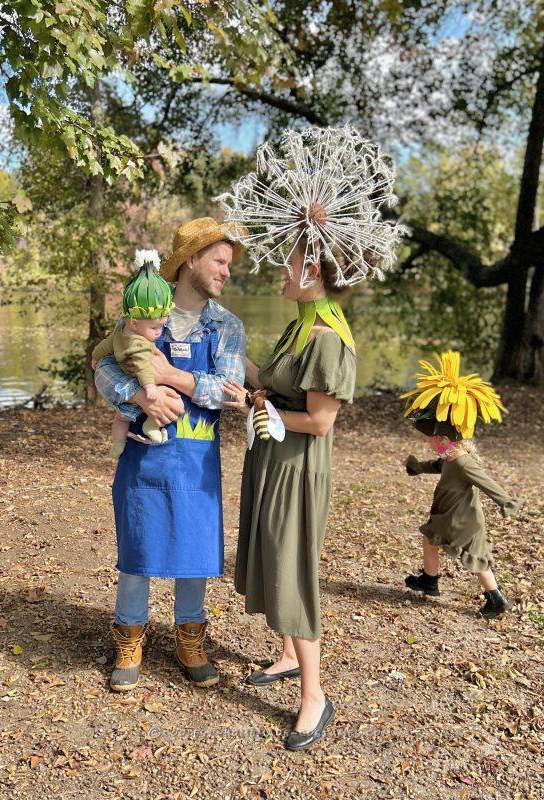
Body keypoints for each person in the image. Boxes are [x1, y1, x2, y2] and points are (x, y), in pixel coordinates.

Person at [217, 126, 405, 750]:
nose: (280, 269)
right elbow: (275, 387)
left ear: (314, 268)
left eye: (289, 261)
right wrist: (234, 358)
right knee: (273, 556)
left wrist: (274, 418)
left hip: (299, 465)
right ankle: (288, 655)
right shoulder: (303, 327)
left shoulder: (328, 337)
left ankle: (314, 695)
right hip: (275, 458)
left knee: (294, 568)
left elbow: (321, 421)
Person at [94, 217, 245, 692]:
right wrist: (140, 398)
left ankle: (190, 637)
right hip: (144, 452)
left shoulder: (226, 326)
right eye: (218, 261)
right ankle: (130, 636)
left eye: (228, 264)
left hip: (197, 458)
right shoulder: (144, 311)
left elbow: (231, 392)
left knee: (196, 549)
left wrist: (174, 379)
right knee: (138, 547)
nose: (225, 271)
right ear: (190, 260)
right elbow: (102, 366)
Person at [401, 351, 524, 618]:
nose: (431, 444)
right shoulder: (450, 457)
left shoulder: (464, 462)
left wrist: (507, 502)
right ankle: (431, 581)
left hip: (461, 519)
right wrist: (418, 467)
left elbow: (486, 482)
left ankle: (495, 599)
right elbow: (437, 466)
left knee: (476, 559)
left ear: (444, 440)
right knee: (433, 541)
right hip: (451, 514)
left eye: (432, 440)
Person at [92, 250, 174, 458]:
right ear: (136, 323)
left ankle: (117, 445)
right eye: (155, 328)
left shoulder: (121, 331)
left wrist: (94, 358)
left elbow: (104, 346)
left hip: (125, 383)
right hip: (139, 385)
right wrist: (149, 388)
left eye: (162, 326)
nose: (159, 332)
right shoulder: (140, 344)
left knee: (120, 419)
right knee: (175, 402)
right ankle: (151, 424)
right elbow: (143, 366)